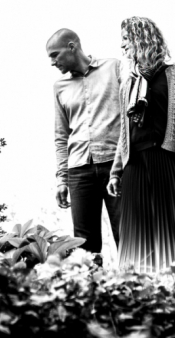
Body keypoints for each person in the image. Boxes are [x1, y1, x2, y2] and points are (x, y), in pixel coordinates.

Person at [106, 16, 175, 273]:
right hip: (136, 166)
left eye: (125, 39)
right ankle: (142, 295)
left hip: (169, 161)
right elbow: (124, 130)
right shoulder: (127, 82)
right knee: (136, 237)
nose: (122, 46)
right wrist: (116, 171)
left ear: (141, 38)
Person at [47, 27, 121, 253]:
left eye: (55, 55)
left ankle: (135, 286)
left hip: (116, 166)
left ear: (72, 47)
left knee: (128, 236)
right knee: (84, 246)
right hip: (78, 171)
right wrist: (62, 179)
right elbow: (61, 137)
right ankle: (91, 287)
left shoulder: (114, 68)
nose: (52, 62)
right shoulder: (59, 87)